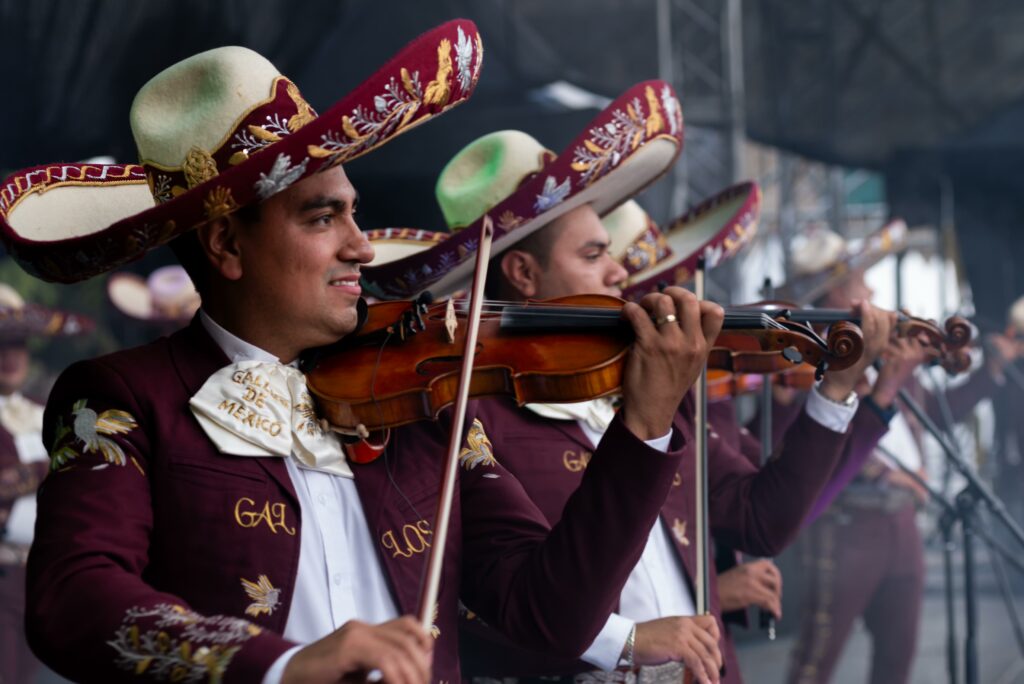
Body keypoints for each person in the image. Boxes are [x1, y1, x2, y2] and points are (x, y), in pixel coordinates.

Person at [0, 23, 733, 684]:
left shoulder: (420, 398)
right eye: (323, 217)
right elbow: (73, 597)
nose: (360, 244)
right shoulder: (122, 394)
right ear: (226, 244)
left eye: (355, 212)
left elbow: (551, 614)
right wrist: (282, 665)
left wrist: (644, 430)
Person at [364, 135, 891, 682]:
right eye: (594, 255)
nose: (620, 275)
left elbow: (762, 521)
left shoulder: (638, 379)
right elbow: (479, 599)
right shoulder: (462, 406)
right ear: (522, 273)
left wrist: (836, 391)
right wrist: (626, 639)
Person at [776, 226, 1019, 684]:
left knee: (897, 660)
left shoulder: (884, 353)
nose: (871, 290)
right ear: (834, 292)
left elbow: (932, 416)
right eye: (859, 281)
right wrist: (886, 474)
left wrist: (991, 371)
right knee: (816, 661)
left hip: (900, 524)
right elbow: (809, 448)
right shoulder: (808, 358)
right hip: (846, 525)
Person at [0, 283, 92, 684]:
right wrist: (53, 465)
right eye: (1, 344)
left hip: (49, 579)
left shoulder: (45, 409)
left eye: (19, 344)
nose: (10, 356)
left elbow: (91, 469)